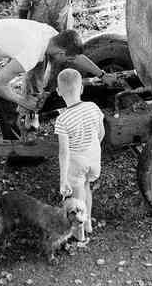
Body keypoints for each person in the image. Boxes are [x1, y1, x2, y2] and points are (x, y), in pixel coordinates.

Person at [0, 18, 114, 189]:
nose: (67, 62)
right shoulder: (32, 53)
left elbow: (76, 57)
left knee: (7, 105)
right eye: (67, 59)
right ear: (61, 53)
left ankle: (17, 154)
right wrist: (23, 101)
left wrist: (102, 75)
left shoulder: (53, 37)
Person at [55, 68, 104, 243]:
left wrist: (63, 180)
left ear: (59, 92)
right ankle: (88, 222)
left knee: (77, 200)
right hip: (93, 158)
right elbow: (101, 133)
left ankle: (80, 235)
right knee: (86, 188)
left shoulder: (62, 120)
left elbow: (64, 152)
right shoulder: (93, 107)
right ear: (82, 88)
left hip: (77, 161)